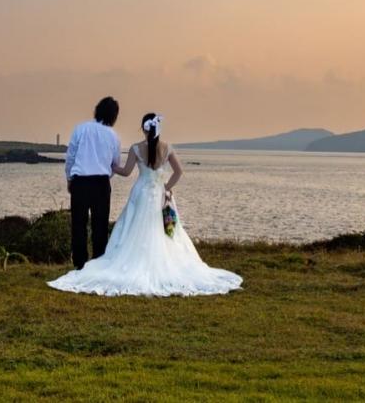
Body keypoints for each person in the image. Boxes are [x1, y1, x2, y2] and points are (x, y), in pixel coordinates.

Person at [49, 113, 242, 297]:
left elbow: (125, 171)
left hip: (141, 193)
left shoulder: (135, 148)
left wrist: (111, 166)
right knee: (165, 231)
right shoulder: (167, 148)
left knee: (134, 228)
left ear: (143, 129)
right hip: (160, 194)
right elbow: (178, 172)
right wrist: (166, 187)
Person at [63, 96, 126, 270]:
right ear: (114, 116)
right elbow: (115, 164)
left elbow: (71, 157)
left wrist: (70, 178)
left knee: (79, 224)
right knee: (100, 225)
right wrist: (106, 177)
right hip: (101, 183)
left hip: (81, 181)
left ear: (97, 110)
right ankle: (99, 262)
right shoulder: (114, 136)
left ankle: (80, 263)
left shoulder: (80, 129)